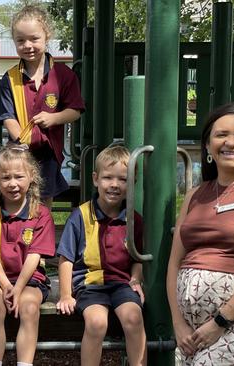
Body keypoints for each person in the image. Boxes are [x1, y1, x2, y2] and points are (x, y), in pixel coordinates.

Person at [166, 102, 234, 365]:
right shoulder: (194, 196)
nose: (230, 143)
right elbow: (174, 263)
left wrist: (220, 322)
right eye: (221, 134)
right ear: (208, 144)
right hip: (191, 332)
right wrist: (178, 324)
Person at [56, 145, 146, 366]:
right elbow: (66, 259)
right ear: (96, 179)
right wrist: (66, 295)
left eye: (123, 179)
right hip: (90, 285)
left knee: (134, 318)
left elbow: (138, 257)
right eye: (107, 178)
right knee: (96, 323)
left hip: (121, 284)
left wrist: (135, 279)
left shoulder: (133, 219)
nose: (114, 185)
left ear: (132, 183)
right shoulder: (81, 216)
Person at [0, 5, 85, 207]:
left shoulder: (63, 74)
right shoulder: (10, 78)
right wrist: (21, 142)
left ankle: (43, 236)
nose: (28, 45)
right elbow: (7, 115)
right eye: (21, 40)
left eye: (34, 39)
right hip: (19, 153)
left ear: (47, 36)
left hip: (48, 152)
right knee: (16, 200)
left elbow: (75, 110)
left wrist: (54, 118)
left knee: (43, 202)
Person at [0, 146, 56, 366]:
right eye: (6, 178)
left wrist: (19, 287)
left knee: (30, 307)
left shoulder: (41, 214)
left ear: (31, 176)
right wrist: (5, 285)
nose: (12, 183)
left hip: (30, 279)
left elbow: (34, 256)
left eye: (19, 176)